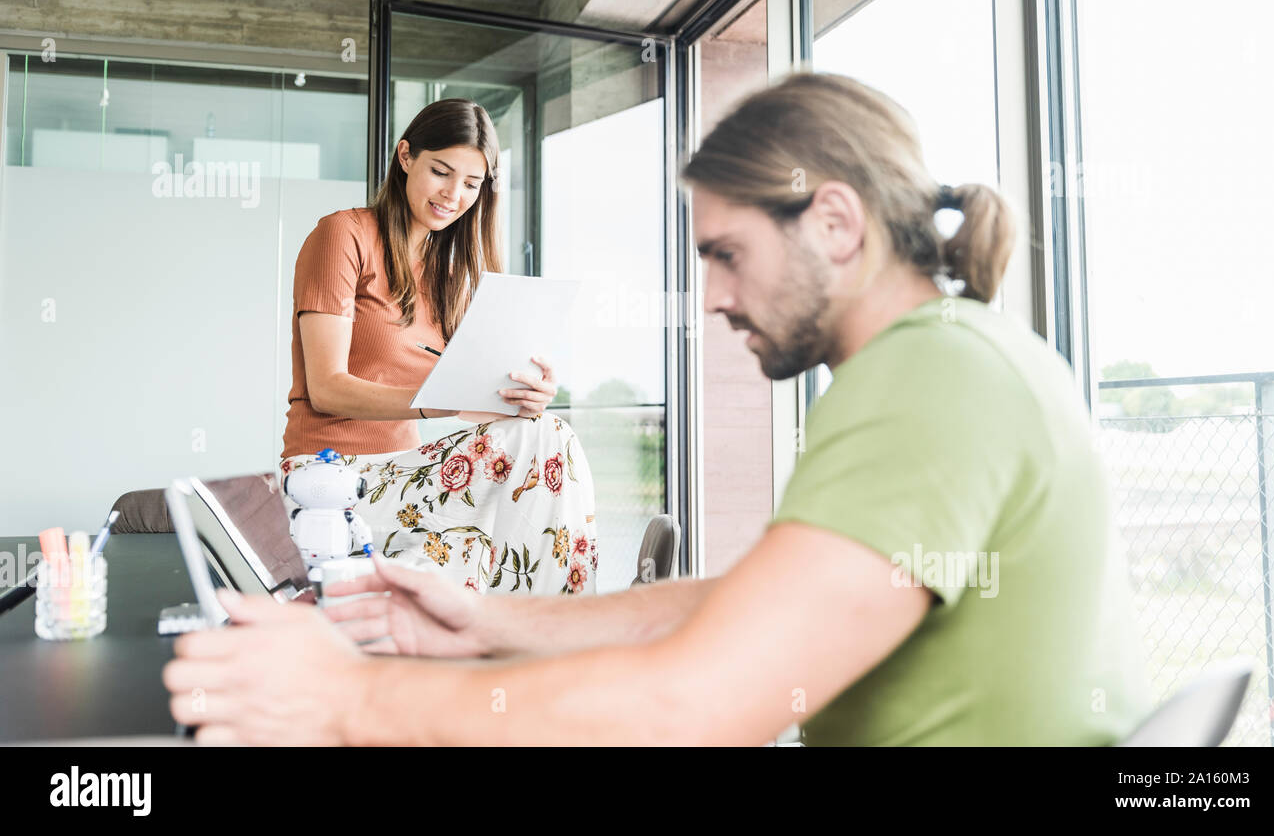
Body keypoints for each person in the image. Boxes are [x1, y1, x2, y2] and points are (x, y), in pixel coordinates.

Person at [164, 72, 1150, 745]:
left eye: (726, 254)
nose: (713, 296)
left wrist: (349, 697)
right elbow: (743, 607)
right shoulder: (949, 363)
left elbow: (695, 703)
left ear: (836, 223)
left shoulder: (931, 385)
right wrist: (492, 623)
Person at [279, 98, 597, 595]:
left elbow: (467, 403)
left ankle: (530, 637)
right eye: (441, 172)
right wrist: (442, 401)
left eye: (471, 184)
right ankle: (561, 627)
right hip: (329, 478)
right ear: (406, 156)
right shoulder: (344, 235)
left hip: (402, 476)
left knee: (542, 432)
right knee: (548, 439)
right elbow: (326, 389)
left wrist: (515, 399)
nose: (453, 194)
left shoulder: (448, 276)